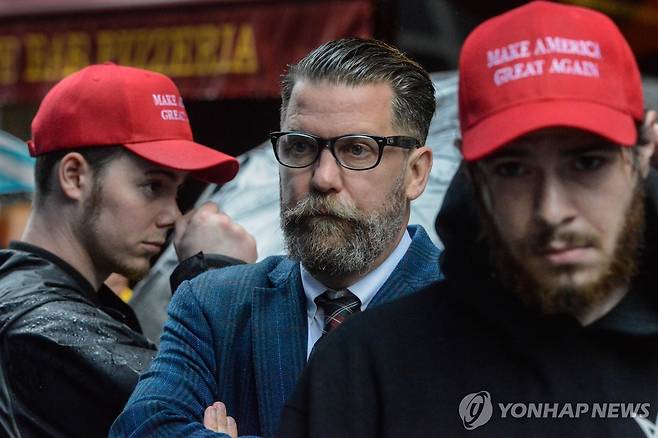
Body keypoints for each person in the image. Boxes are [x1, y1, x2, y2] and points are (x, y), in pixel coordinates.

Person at [277, 2, 658, 437]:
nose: (552, 211)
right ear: (472, 174)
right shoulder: (368, 367)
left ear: (645, 150)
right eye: (513, 170)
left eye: (587, 164)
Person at [111, 37, 442, 438]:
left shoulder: (474, 312)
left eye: (357, 149)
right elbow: (144, 429)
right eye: (300, 147)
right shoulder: (213, 305)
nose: (322, 178)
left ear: (416, 173)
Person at [0, 63, 252, 438]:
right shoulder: (46, 324)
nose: (173, 215)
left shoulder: (43, 296)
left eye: (177, 190)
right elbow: (228, 405)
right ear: (74, 176)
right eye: (152, 186)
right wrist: (214, 276)